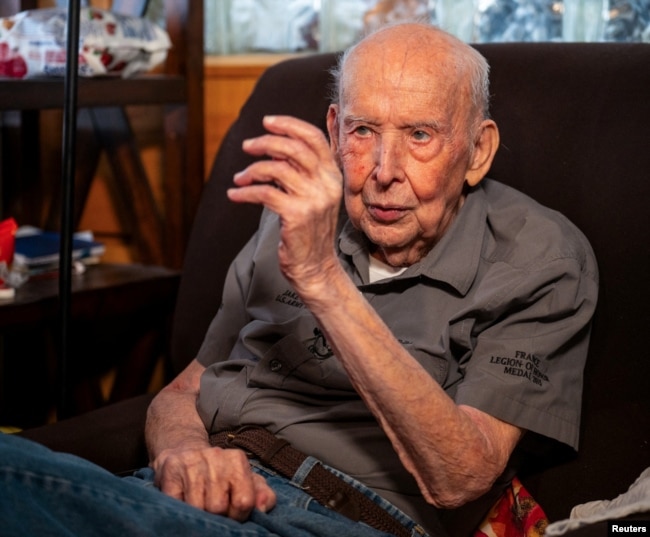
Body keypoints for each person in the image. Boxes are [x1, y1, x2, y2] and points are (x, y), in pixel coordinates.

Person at [0, 22, 598, 537]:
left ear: (477, 151)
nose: (384, 173)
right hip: (199, 496)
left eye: (420, 136)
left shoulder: (541, 258)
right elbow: (184, 391)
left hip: (341, 518)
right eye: (363, 132)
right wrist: (185, 452)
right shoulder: (299, 213)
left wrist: (321, 280)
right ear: (335, 130)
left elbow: (462, 475)